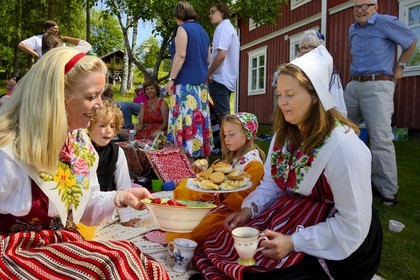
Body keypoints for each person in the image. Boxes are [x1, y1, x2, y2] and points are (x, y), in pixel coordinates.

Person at [191, 46, 382, 280]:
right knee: (225, 242)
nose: (282, 102)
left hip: (338, 234)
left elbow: (353, 224)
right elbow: (272, 184)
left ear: (315, 96)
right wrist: (248, 210)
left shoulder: (344, 148)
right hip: (293, 213)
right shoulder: (284, 137)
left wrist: (294, 242)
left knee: (273, 272)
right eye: (279, 94)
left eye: (290, 94)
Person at [0, 47, 169, 279]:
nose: (100, 104)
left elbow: (83, 207)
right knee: (109, 265)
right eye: (91, 97)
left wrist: (119, 197)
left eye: (100, 95)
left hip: (56, 242)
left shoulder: (77, 140)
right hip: (13, 252)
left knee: (135, 261)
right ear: (56, 98)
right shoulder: (8, 148)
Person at [345, 0, 417, 206]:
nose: (360, 10)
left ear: (374, 7)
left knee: (381, 139)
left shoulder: (385, 22)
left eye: (364, 6)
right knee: (340, 132)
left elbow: (411, 40)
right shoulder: (352, 29)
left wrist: (400, 66)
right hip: (353, 86)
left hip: (378, 86)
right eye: (355, 7)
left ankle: (387, 190)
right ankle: (346, 181)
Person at [166, 112, 265, 247]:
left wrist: (220, 192)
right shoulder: (235, 158)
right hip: (219, 201)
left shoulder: (254, 165)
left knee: (178, 235)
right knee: (184, 186)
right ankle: (187, 214)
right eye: (224, 135)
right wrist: (203, 175)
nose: (226, 139)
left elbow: (241, 200)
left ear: (247, 135)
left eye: (231, 134)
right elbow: (217, 178)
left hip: (231, 213)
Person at [165, 1, 212, 159]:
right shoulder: (204, 32)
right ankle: (200, 160)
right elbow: (208, 59)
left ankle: (184, 160)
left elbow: (181, 55)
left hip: (186, 85)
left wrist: (171, 79)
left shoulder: (182, 29)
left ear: (178, 16)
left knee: (184, 121)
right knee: (198, 122)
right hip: (201, 87)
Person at [88, 99, 142, 227]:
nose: (108, 130)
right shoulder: (79, 149)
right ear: (88, 126)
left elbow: (123, 186)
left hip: (107, 211)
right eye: (102, 125)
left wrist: (125, 218)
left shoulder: (117, 152)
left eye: (112, 126)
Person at [298, 30, 347, 117]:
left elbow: (337, 106)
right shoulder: (297, 73)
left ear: (320, 50)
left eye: (311, 47)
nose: (306, 50)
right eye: (303, 47)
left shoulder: (330, 75)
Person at [207, 2, 240, 124]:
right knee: (224, 118)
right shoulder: (228, 28)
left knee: (225, 119)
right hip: (225, 79)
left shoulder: (223, 28)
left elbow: (221, 55)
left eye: (213, 12)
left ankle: (230, 142)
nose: (210, 15)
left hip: (220, 79)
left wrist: (208, 74)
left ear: (222, 13)